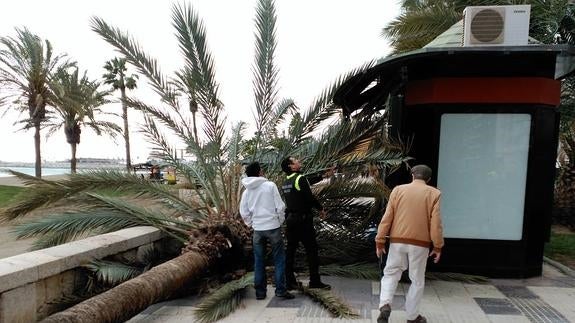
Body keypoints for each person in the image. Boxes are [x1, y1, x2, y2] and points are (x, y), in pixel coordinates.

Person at [375, 164, 444, 323]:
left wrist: (380, 240)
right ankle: (412, 317)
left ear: (412, 175)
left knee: (391, 273)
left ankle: (385, 305)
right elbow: (436, 223)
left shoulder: (398, 190)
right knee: (417, 280)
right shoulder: (434, 193)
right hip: (421, 244)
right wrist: (438, 245)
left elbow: (387, 217)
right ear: (429, 179)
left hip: (397, 241)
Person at [240, 162, 294, 300]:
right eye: (262, 170)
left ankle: (260, 293)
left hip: (258, 230)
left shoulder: (247, 191)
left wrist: (252, 224)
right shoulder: (270, 186)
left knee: (258, 260)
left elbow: (244, 212)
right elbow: (280, 207)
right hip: (273, 227)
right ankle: (281, 290)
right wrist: (279, 221)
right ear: (259, 172)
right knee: (279, 258)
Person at [280, 156, 332, 290]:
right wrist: (321, 209)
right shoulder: (299, 178)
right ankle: (314, 281)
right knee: (311, 250)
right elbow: (309, 197)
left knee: (290, 251)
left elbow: (304, 185)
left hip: (291, 220)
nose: (299, 161)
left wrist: (323, 175)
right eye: (295, 160)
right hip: (303, 221)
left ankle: (289, 281)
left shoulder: (286, 181)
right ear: (291, 166)